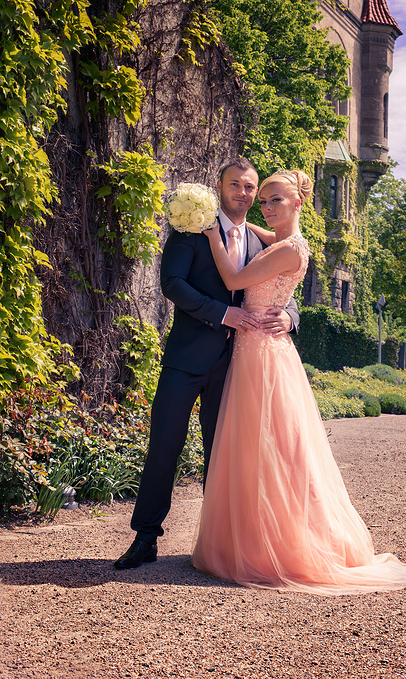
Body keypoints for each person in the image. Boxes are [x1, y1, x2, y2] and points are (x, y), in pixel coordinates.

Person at [192, 169, 406, 595]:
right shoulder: (281, 241)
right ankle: (253, 538)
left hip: (264, 358)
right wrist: (237, 225)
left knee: (278, 449)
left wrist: (212, 235)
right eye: (266, 200)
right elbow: (256, 229)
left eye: (277, 199)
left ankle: (286, 544)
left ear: (299, 204)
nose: (267, 206)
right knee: (253, 450)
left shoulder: (288, 249)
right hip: (254, 351)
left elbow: (235, 281)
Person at [114, 158, 300, 569]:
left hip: (236, 366)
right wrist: (222, 312)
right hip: (186, 358)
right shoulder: (192, 229)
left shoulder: (261, 241)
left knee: (225, 455)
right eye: (236, 185)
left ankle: (221, 544)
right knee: (164, 445)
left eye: (250, 187)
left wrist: (291, 317)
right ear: (220, 186)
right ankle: (146, 538)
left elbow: (284, 288)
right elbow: (172, 283)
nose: (244, 194)